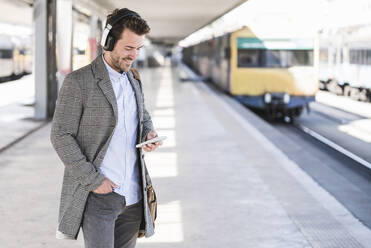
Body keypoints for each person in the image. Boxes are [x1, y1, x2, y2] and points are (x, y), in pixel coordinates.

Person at [50, 8, 161, 248]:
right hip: (99, 196)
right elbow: (60, 135)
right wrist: (94, 180)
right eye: (128, 48)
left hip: (134, 196)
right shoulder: (79, 82)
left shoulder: (134, 78)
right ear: (108, 42)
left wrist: (148, 134)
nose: (134, 56)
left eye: (138, 49)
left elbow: (143, 116)